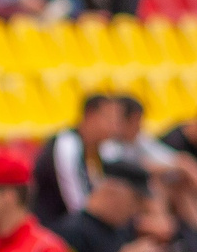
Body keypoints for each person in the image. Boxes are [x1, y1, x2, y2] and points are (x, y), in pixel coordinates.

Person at [31, 92, 127, 226]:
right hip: (55, 224)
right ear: (91, 116)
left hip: (82, 222)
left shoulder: (102, 149)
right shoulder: (66, 144)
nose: (115, 127)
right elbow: (75, 203)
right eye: (110, 120)